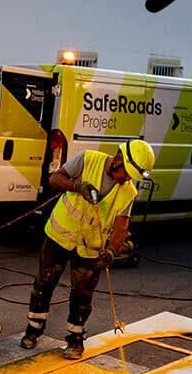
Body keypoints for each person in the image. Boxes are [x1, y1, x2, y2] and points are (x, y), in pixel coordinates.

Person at [19, 140, 156, 359]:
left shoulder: (128, 192)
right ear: (119, 159)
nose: (127, 179)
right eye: (126, 173)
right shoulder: (87, 159)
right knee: (45, 281)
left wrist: (112, 251)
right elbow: (54, 178)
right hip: (59, 236)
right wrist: (77, 186)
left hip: (90, 246)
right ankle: (33, 329)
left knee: (82, 293)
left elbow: (121, 227)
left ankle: (75, 339)